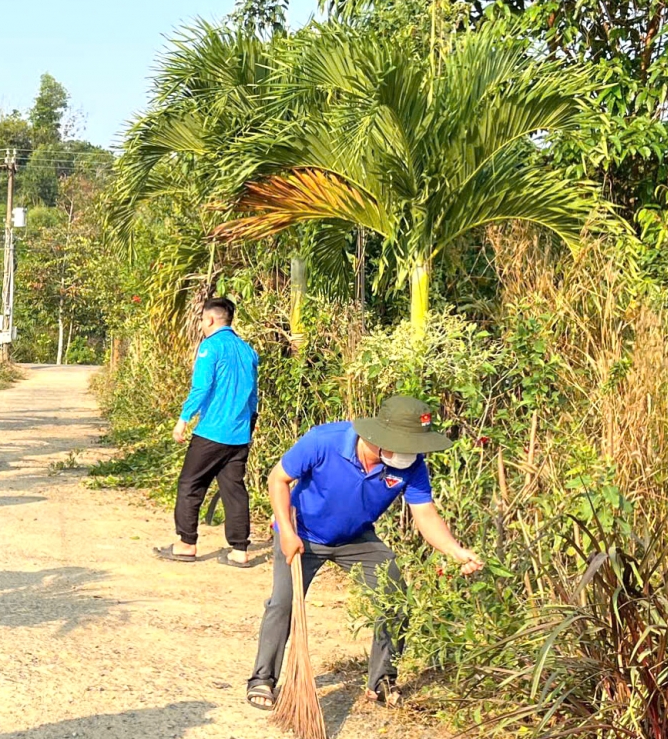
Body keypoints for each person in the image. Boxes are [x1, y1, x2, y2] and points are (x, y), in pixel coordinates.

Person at [247, 395, 483, 710]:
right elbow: (278, 479)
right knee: (283, 602)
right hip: (301, 534)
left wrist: (455, 551)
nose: (411, 452)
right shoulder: (324, 441)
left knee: (394, 595)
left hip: (355, 537)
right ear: (379, 437)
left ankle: (382, 681)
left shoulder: (411, 466)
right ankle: (263, 679)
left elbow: (425, 514)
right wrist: (287, 534)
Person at [155, 296, 259, 567]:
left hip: (212, 431)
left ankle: (186, 543)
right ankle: (240, 550)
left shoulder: (209, 348)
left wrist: (183, 419)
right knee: (234, 489)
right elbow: (253, 398)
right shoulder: (248, 351)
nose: (201, 323)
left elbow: (201, 388)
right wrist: (249, 427)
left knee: (190, 485)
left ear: (210, 319)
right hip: (239, 434)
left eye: (202, 319)